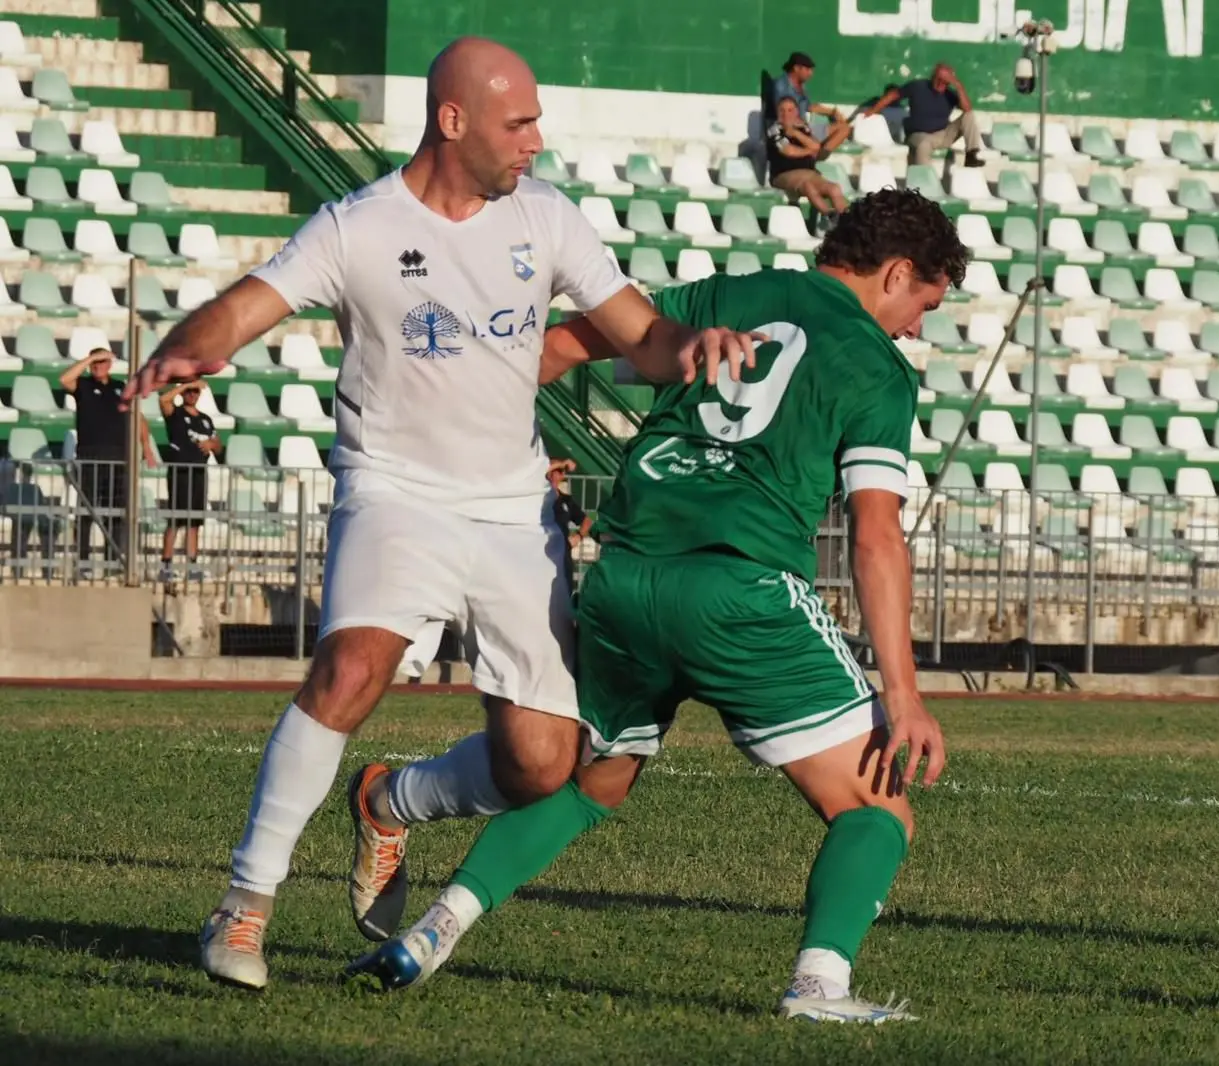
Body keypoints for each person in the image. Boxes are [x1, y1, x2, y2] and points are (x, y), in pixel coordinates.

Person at [119, 36, 760, 992]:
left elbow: (642, 333)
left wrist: (691, 344)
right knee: (350, 668)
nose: (536, 141)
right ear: (451, 122)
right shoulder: (358, 226)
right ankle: (243, 910)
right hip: (395, 494)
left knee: (543, 765)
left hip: (512, 511)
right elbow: (247, 307)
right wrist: (187, 347)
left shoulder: (544, 216)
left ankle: (392, 798)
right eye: (519, 122)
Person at [346, 189, 967, 1024]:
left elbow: (563, 346)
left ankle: (434, 928)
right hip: (739, 590)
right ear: (896, 272)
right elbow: (876, 534)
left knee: (594, 778)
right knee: (875, 807)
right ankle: (819, 987)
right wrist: (902, 691)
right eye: (923, 303)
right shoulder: (873, 363)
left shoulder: (724, 295)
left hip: (627, 573)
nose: (916, 328)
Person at [59, 348, 158, 573]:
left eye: (102, 362)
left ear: (109, 365)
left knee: (116, 511)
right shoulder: (83, 386)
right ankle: (83, 562)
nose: (98, 366)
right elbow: (65, 379)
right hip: (90, 455)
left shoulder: (120, 388)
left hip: (118, 456)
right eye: (95, 363)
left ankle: (113, 561)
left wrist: (147, 448)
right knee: (87, 510)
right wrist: (90, 358)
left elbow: (139, 417)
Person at [861, 64, 983, 168]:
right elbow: (894, 95)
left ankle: (971, 156)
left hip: (942, 134)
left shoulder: (949, 94)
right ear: (933, 77)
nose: (941, 84)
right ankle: (922, 183)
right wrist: (873, 110)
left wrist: (958, 86)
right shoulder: (918, 87)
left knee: (969, 116)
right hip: (918, 135)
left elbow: (967, 108)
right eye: (939, 80)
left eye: (945, 82)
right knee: (924, 144)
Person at [158, 381, 220, 582]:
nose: (192, 394)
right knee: (175, 519)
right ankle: (166, 565)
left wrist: (211, 444)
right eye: (188, 391)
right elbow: (163, 399)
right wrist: (187, 384)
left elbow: (218, 445)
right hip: (180, 472)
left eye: (195, 391)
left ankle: (192, 566)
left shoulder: (205, 419)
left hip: (199, 473)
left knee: (194, 522)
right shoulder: (175, 414)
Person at [768, 95, 848, 221]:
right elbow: (789, 151)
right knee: (807, 185)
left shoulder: (803, 128)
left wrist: (795, 133)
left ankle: (848, 222)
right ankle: (829, 215)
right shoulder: (774, 130)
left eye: (790, 110)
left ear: (796, 112)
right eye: (782, 110)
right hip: (784, 174)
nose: (786, 114)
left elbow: (816, 146)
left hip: (809, 172)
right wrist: (808, 150)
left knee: (834, 188)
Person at [770, 51, 853, 157]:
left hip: (805, 127)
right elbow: (783, 114)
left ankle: (818, 156)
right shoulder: (781, 86)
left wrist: (832, 111)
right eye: (808, 70)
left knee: (844, 128)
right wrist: (802, 130)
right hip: (792, 130)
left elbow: (808, 107)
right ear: (796, 68)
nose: (811, 74)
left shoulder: (801, 86)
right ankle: (813, 156)